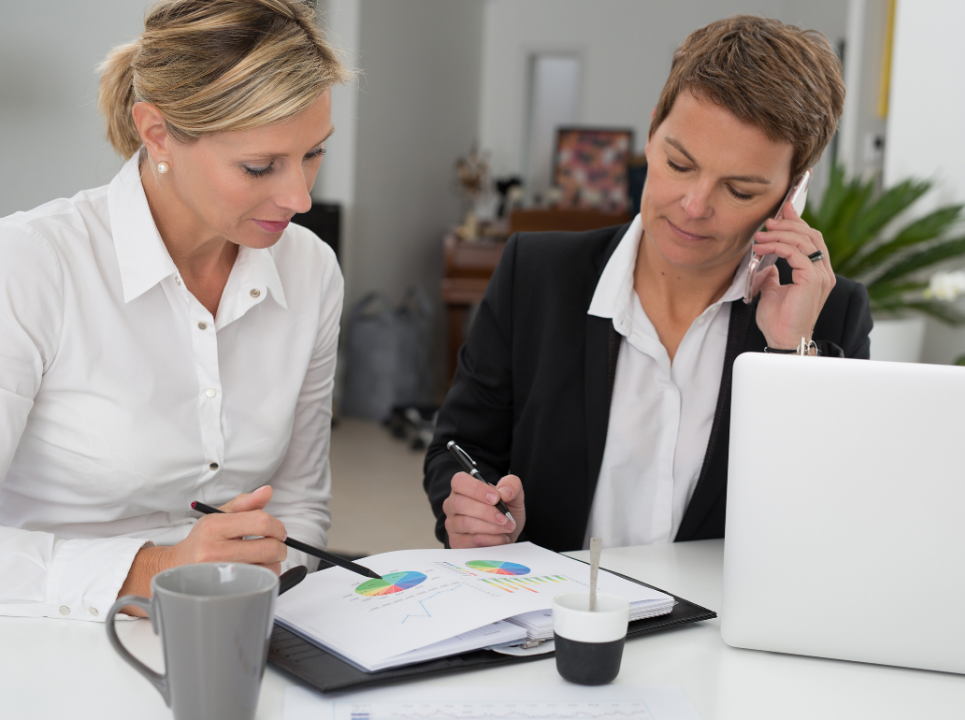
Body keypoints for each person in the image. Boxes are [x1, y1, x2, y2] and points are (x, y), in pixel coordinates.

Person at [424, 16, 873, 552]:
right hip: (551, 620)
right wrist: (474, 511)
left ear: (791, 195)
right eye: (679, 163)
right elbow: (458, 446)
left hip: (714, 631)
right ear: (654, 127)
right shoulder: (537, 273)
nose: (694, 205)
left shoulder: (831, 316)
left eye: (740, 189)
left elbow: (831, 517)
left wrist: (791, 352)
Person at [0, 0, 349, 621]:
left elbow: (299, 506)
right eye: (259, 166)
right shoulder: (30, 265)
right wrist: (157, 570)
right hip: (50, 632)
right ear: (157, 132)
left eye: (313, 153)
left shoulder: (311, 269)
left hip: (236, 626)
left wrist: (265, 590)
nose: (300, 196)